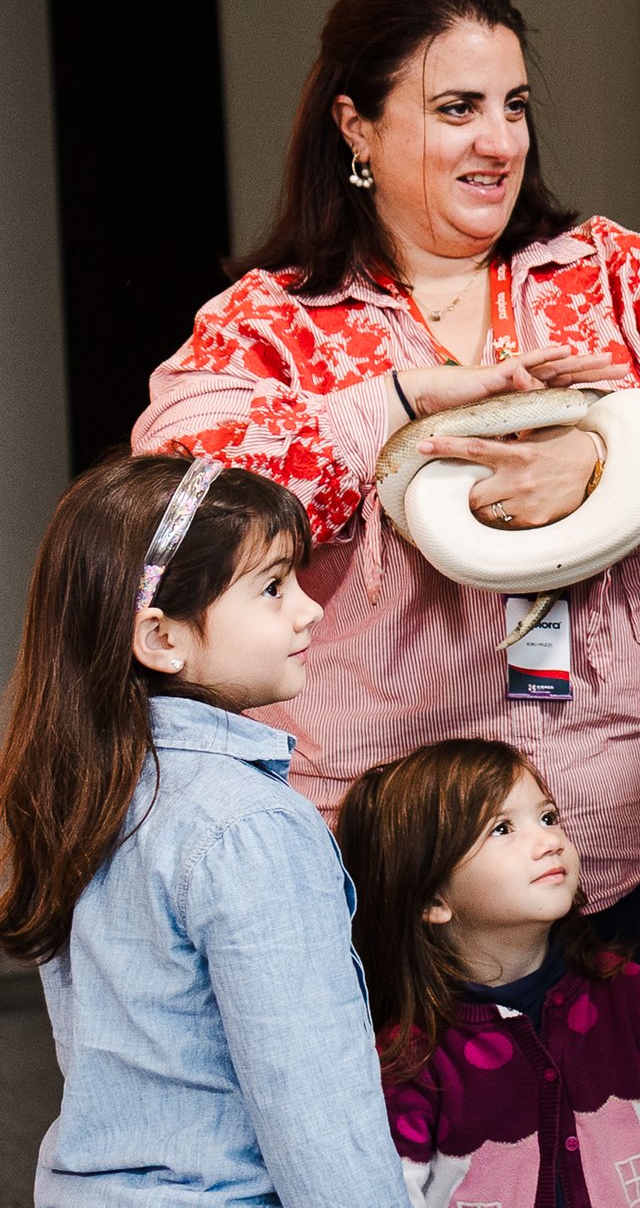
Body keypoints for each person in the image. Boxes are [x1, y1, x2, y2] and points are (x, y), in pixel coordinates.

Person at [133, 0, 640, 1066]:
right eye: (455, 108)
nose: (498, 141)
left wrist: (608, 459)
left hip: (634, 851)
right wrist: (395, 409)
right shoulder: (271, 324)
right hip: (393, 875)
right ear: (356, 126)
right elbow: (178, 497)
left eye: (513, 106)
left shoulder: (615, 277)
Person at [0, 453, 406, 1206]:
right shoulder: (251, 826)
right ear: (161, 638)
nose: (310, 609)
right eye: (273, 586)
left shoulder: (85, 791)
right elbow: (313, 1105)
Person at [340, 737, 640, 1208]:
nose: (550, 842)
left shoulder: (627, 993)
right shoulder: (411, 1053)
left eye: (547, 817)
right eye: (502, 829)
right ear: (432, 901)